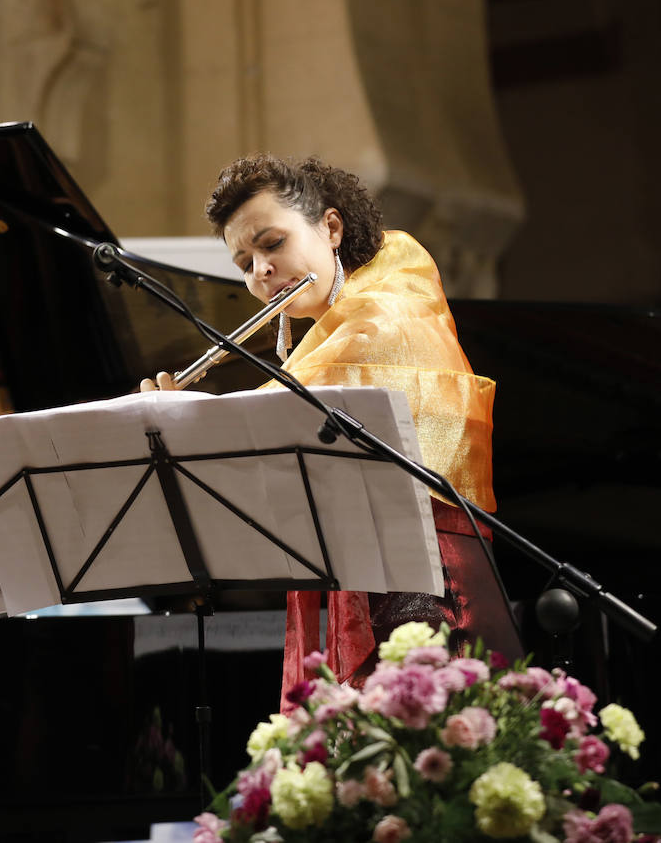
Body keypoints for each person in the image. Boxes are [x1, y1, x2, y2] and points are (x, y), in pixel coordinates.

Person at [142, 154, 522, 711]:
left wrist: (182, 421)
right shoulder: (334, 331)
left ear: (331, 228)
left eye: (272, 243)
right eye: (244, 262)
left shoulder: (386, 313)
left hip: (426, 591)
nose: (260, 272)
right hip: (367, 574)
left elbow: (275, 418)